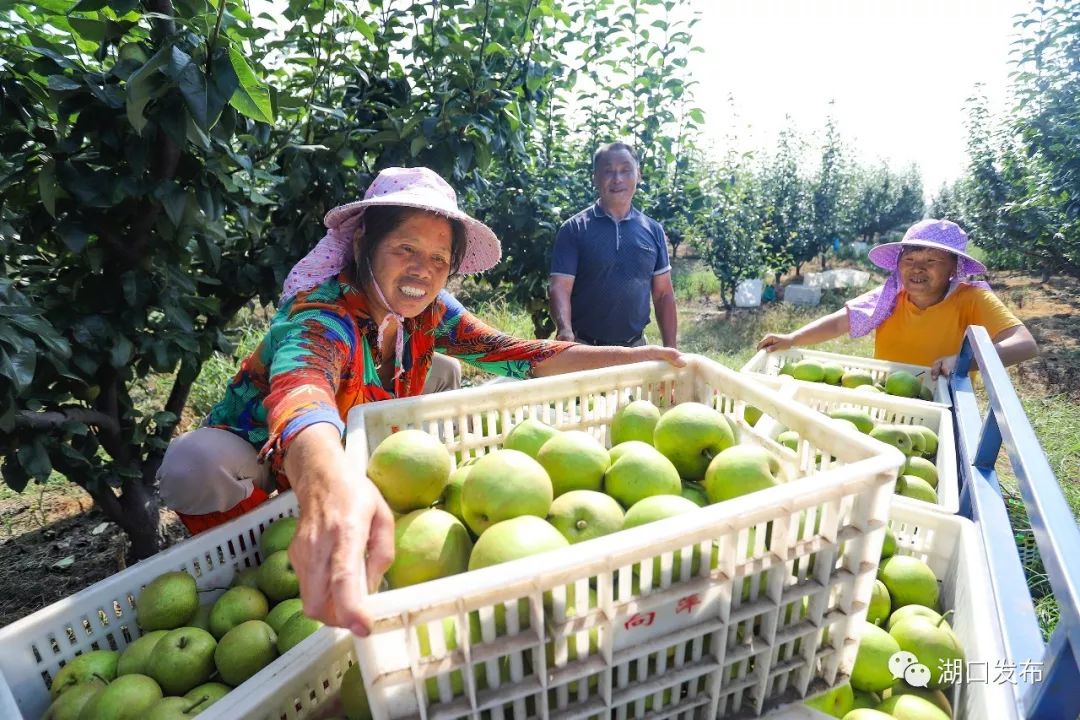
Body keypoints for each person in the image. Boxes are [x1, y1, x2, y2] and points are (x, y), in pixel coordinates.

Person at [157, 166, 684, 638]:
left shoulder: (429, 311)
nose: (422, 271)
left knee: (447, 367)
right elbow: (303, 389)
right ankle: (236, 571)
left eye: (438, 258)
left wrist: (634, 358)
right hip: (274, 461)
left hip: (349, 452)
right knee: (193, 464)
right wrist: (326, 486)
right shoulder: (321, 314)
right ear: (364, 243)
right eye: (405, 249)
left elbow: (517, 354)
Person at [757, 219, 1037, 379]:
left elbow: (1024, 344)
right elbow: (841, 323)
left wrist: (965, 361)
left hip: (943, 402)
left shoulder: (972, 298)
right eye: (910, 259)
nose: (917, 268)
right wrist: (792, 338)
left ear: (953, 267)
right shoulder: (891, 295)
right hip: (887, 393)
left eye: (932, 260)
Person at [549, 142, 678, 348]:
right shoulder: (574, 229)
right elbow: (560, 287)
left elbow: (663, 294)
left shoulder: (653, 230)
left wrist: (671, 349)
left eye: (626, 170)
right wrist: (564, 330)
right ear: (595, 178)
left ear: (639, 175)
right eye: (608, 171)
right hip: (584, 347)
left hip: (636, 348)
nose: (617, 179)